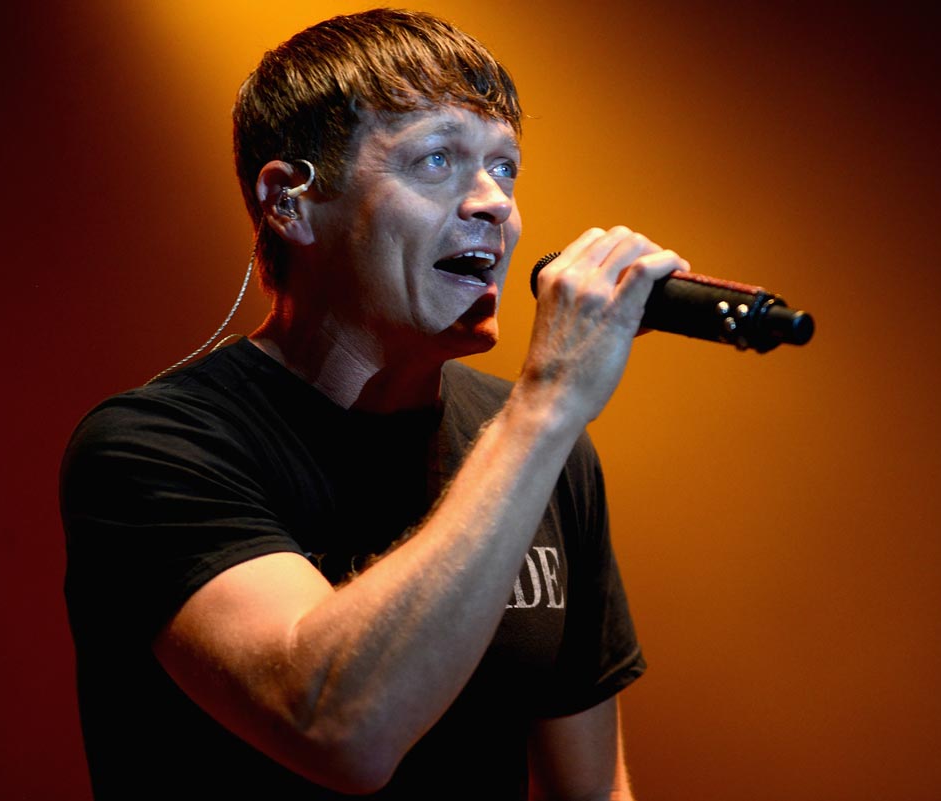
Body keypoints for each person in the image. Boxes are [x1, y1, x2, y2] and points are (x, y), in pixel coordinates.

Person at [59, 9, 688, 800]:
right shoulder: (154, 448)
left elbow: (591, 792)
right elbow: (337, 728)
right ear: (289, 202)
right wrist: (549, 403)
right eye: (437, 159)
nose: (495, 204)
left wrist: (540, 420)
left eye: (507, 167)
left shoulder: (539, 447)